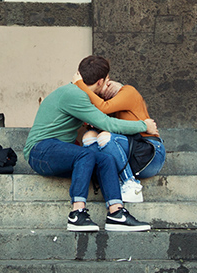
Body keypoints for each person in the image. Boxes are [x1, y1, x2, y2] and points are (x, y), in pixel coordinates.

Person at [23, 55, 158, 232]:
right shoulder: (75, 95)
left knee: (105, 159)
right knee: (86, 154)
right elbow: (107, 124)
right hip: (39, 150)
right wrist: (143, 125)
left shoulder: (76, 93)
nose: (109, 83)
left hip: (60, 152)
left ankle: (116, 214)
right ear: (100, 81)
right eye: (108, 80)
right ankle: (77, 213)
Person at [75, 76, 166, 204]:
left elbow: (104, 107)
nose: (107, 87)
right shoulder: (105, 104)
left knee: (105, 137)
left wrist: (78, 83)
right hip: (128, 158)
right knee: (89, 136)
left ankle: (131, 185)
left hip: (150, 155)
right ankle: (112, 183)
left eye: (107, 82)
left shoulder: (128, 91)